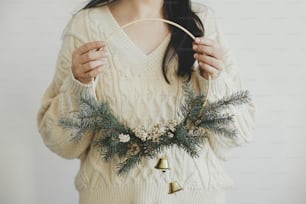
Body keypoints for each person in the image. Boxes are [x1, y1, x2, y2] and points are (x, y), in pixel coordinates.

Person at [37, 0, 256, 203]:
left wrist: (216, 81)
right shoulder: (85, 26)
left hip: (195, 196)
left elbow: (237, 136)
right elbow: (61, 143)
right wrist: (79, 84)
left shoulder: (201, 22)